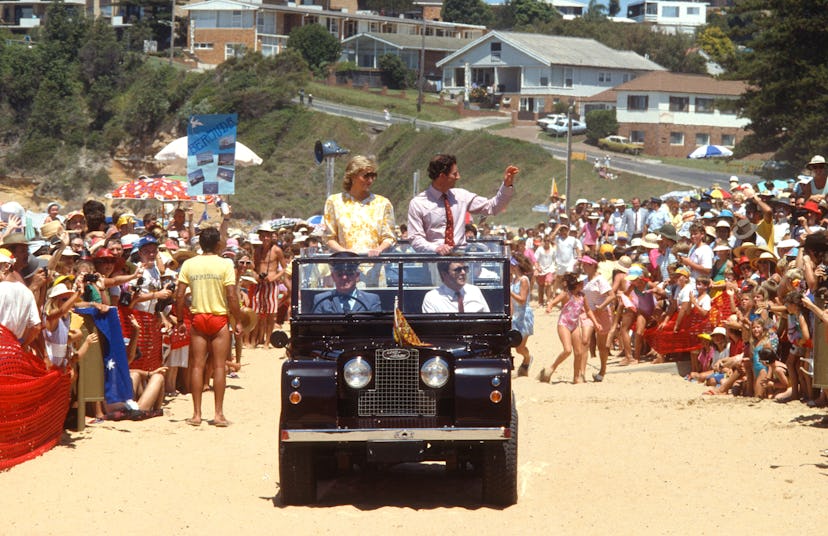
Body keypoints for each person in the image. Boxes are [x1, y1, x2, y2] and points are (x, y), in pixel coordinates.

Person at [175, 227, 244, 427]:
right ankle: (218, 414)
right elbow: (231, 296)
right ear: (217, 244)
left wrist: (180, 320)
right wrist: (237, 320)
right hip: (218, 317)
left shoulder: (189, 264)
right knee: (219, 366)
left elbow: (179, 295)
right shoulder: (225, 264)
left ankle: (196, 414)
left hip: (198, 317)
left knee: (197, 365)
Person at [407, 153, 519, 253]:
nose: (458, 177)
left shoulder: (461, 196)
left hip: (461, 259)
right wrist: (435, 248)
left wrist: (507, 185)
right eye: (454, 174)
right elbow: (415, 238)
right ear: (442, 176)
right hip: (432, 262)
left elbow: (492, 207)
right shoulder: (418, 203)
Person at [323, 155, 396, 256]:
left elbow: (389, 237)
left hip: (374, 266)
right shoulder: (334, 202)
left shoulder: (383, 204)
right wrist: (345, 252)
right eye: (366, 176)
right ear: (352, 176)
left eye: (373, 176)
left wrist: (379, 249)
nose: (370, 180)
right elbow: (329, 237)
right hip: (345, 267)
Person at [311, 253, 381, 313]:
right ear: (333, 276)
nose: (344, 277)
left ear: (357, 276)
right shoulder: (321, 300)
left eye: (349, 273)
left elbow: (377, 327)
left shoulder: (371, 300)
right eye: (340, 274)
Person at [252, 223, 285, 348]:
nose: (266, 238)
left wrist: (275, 277)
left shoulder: (277, 250)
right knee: (256, 311)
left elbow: (284, 268)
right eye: (263, 236)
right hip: (260, 284)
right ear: (260, 237)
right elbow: (254, 267)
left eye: (268, 236)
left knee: (271, 313)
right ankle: (256, 339)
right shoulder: (257, 250)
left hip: (272, 284)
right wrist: (256, 276)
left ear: (271, 237)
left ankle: (267, 341)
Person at [422, 260, 490, 313]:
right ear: (444, 274)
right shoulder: (432, 298)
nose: (463, 272)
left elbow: (488, 321)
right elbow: (431, 329)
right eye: (458, 270)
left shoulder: (474, 291)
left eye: (465, 269)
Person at [510, 253, 534, 377]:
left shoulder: (524, 280)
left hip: (524, 316)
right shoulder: (514, 279)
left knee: (520, 347)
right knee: (513, 344)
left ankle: (527, 359)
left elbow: (522, 299)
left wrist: (510, 292)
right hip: (515, 316)